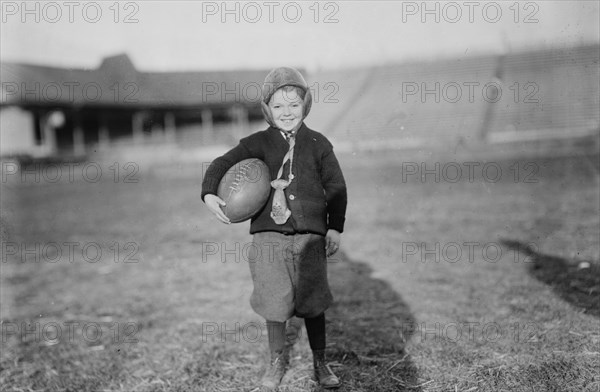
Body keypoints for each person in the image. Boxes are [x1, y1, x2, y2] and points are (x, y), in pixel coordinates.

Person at [201, 67, 347, 389]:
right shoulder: (256, 143)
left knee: (313, 299)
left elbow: (336, 186)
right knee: (273, 299)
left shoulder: (318, 143)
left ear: (305, 104)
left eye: (294, 105)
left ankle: (320, 361)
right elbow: (220, 164)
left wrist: (334, 227)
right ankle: (276, 361)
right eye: (278, 106)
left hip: (309, 237)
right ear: (267, 108)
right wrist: (210, 192)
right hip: (267, 238)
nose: (287, 113)